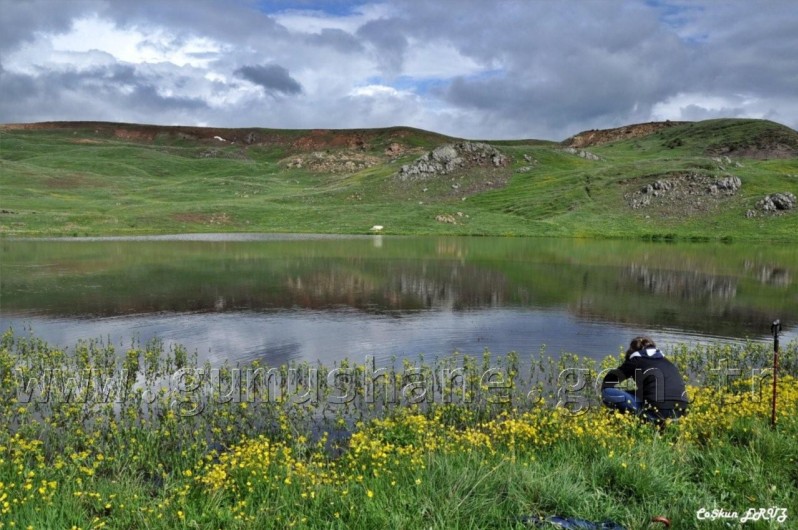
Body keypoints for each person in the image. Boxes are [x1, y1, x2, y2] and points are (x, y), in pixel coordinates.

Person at [601, 336, 688, 423]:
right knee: (636, 393)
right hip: (679, 414)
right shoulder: (667, 361)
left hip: (655, 414)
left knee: (607, 392)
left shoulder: (636, 359)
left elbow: (608, 381)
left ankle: (624, 419)